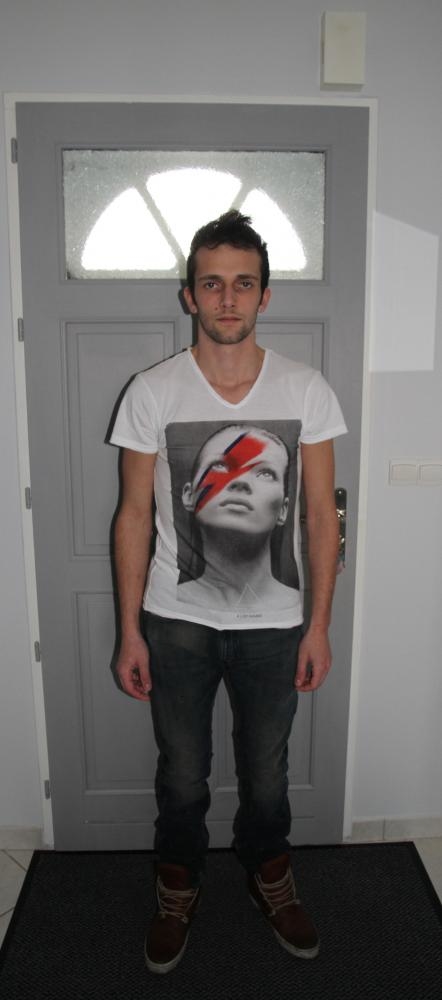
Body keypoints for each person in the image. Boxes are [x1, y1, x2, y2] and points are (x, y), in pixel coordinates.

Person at [110, 210, 347, 974]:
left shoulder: (305, 389)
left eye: (243, 284)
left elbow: (320, 515)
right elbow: (133, 516)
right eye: (212, 284)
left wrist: (319, 625)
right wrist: (129, 631)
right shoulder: (152, 391)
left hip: (277, 625)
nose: (227, 299)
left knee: (267, 772)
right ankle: (178, 888)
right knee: (181, 773)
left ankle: (270, 877)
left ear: (264, 297)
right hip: (175, 620)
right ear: (190, 295)